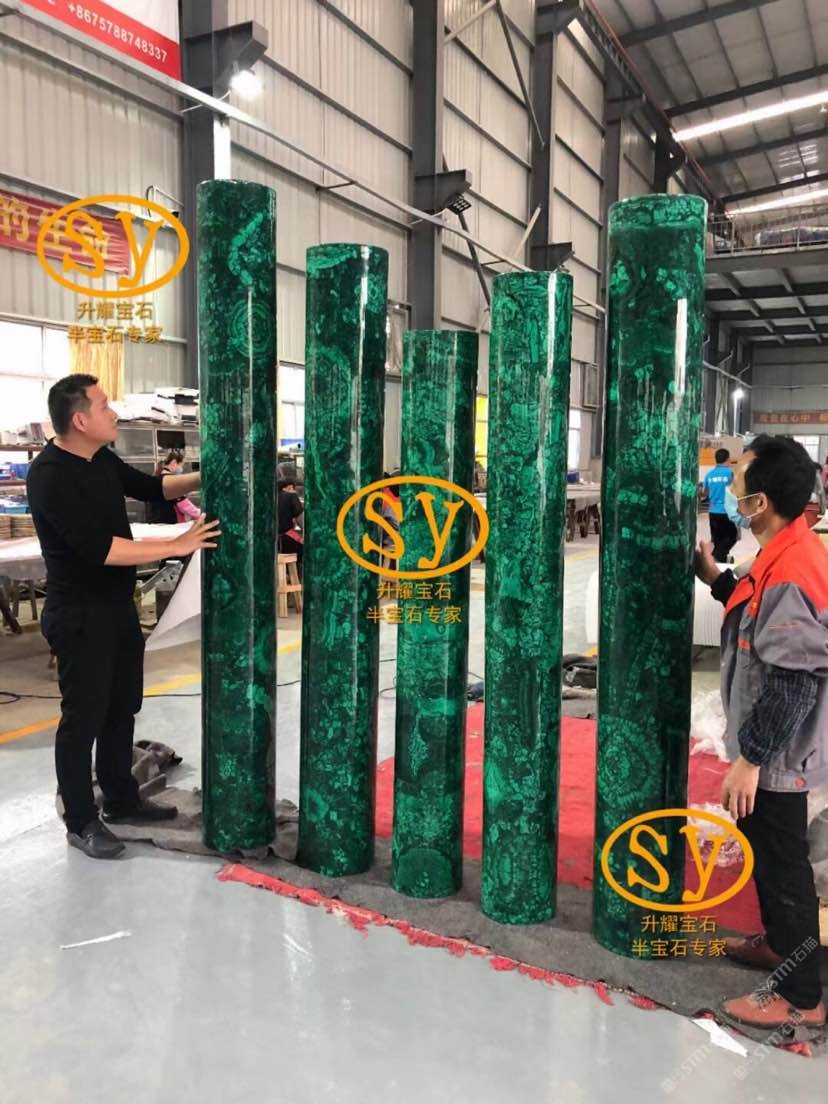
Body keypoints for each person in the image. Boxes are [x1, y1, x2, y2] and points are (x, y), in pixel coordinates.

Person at [26, 375, 221, 860]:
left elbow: (153, 486)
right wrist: (178, 543)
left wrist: (208, 472)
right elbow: (99, 549)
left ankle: (121, 799)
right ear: (80, 419)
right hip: (79, 615)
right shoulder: (49, 475)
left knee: (121, 708)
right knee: (83, 719)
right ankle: (81, 821)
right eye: (105, 405)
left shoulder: (101, 459)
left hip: (116, 608)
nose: (113, 413)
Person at [694, 435, 828, 1032]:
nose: (735, 498)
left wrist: (751, 760)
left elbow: (793, 683)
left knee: (781, 864)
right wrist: (713, 577)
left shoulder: (792, 569)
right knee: (767, 853)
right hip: (775, 745)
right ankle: (780, 946)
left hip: (781, 752)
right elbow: (755, 614)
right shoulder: (783, 550)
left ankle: (801, 994)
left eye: (743, 490)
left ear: (761, 504)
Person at [703, 447, 738, 563]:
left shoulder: (709, 475)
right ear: (728, 459)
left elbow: (705, 493)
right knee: (732, 536)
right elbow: (737, 490)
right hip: (726, 511)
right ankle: (716, 557)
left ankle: (720, 562)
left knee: (718, 540)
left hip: (713, 512)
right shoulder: (730, 474)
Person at [278, 478, 304, 577]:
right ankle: (295, 577)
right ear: (289, 487)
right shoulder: (291, 496)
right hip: (285, 542)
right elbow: (302, 520)